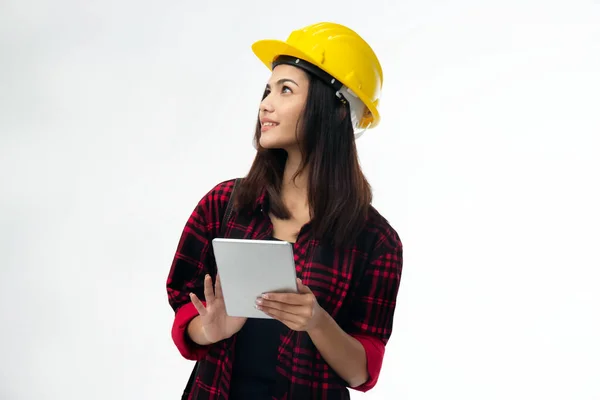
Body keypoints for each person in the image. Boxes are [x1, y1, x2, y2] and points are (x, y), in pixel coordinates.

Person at [166, 21, 403, 400]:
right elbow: (184, 310)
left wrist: (316, 321)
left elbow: (363, 372)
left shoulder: (376, 242)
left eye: (286, 90)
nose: (265, 104)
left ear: (338, 111)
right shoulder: (223, 206)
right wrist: (211, 329)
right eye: (267, 90)